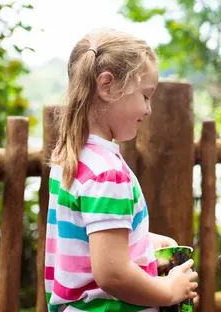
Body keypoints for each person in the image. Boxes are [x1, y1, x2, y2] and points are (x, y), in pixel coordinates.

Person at [44, 28, 198, 311]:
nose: (149, 109)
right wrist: (168, 291)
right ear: (107, 86)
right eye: (145, 95)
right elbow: (112, 274)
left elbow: (85, 235)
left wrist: (142, 239)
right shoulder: (107, 174)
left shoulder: (73, 159)